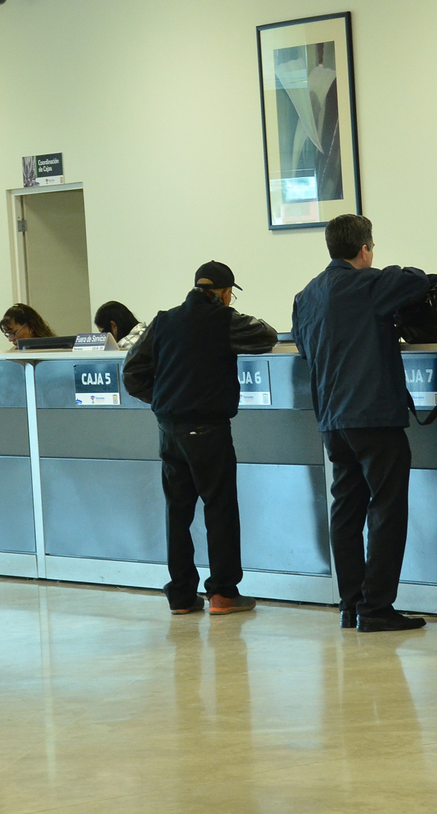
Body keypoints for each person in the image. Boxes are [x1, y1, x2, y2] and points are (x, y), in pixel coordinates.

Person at [291, 214, 431, 633]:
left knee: (346, 510)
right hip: (373, 416)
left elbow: (304, 348)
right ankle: (376, 607)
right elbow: (417, 280)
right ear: (365, 249)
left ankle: (350, 605)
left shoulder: (306, 295)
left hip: (332, 421)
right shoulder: (369, 284)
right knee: (387, 509)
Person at [123, 261, 277, 616]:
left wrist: (165, 398)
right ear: (224, 293)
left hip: (169, 430)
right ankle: (222, 593)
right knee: (220, 510)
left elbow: (132, 372)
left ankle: (180, 595)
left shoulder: (163, 320)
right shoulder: (223, 320)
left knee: (178, 513)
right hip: (208, 430)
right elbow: (266, 335)